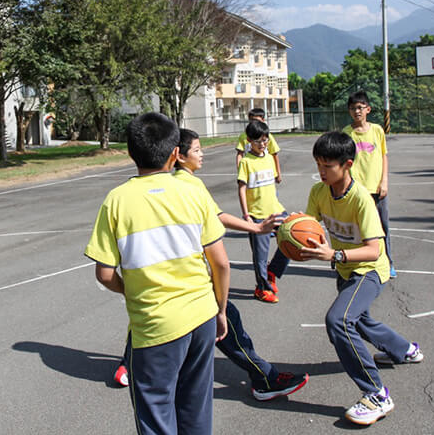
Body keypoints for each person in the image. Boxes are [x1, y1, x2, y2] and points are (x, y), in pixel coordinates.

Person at [112, 129, 308, 401]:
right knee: (227, 323)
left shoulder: (176, 182)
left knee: (150, 313)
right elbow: (220, 233)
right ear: (177, 156)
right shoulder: (187, 184)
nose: (202, 154)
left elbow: (218, 215)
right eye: (197, 150)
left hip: (169, 281)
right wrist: (256, 227)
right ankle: (264, 379)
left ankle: (129, 364)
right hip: (194, 280)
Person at [85, 113, 230, 435]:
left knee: (156, 412)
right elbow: (220, 263)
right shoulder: (193, 192)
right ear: (175, 153)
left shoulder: (117, 201)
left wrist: (133, 289)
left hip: (155, 324)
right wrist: (220, 309)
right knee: (196, 407)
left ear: (130, 152)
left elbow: (105, 273)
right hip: (202, 315)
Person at [298, 132, 422, 427]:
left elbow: (374, 249)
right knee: (361, 320)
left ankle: (376, 393)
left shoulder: (361, 199)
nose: (321, 171)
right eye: (318, 164)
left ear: (347, 164)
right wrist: (293, 228)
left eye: (328, 166)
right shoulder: (319, 192)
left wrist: (335, 256)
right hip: (346, 270)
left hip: (369, 270)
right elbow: (310, 226)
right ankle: (405, 349)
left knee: (339, 320)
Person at [341, 92, 394, 277]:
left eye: (360, 107)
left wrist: (384, 181)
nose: (357, 111)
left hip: (376, 190)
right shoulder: (346, 133)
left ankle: (387, 262)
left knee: (382, 227)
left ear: (368, 109)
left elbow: (383, 156)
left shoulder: (377, 130)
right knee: (358, 229)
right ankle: (359, 263)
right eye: (353, 108)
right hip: (357, 191)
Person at [238, 119, 290, 303]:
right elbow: (242, 189)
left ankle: (273, 270)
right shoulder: (246, 162)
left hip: (276, 211)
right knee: (260, 256)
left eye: (265, 140)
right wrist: (247, 216)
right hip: (257, 216)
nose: (262, 144)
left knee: (291, 241)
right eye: (258, 141)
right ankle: (262, 288)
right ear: (249, 142)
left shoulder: (269, 158)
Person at [236, 108, 282, 183]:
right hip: (252, 170)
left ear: (263, 121)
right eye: (252, 121)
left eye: (257, 121)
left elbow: (274, 154)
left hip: (265, 170)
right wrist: (240, 170)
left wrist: (278, 173)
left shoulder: (267, 137)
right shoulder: (243, 136)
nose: (254, 123)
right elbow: (239, 154)